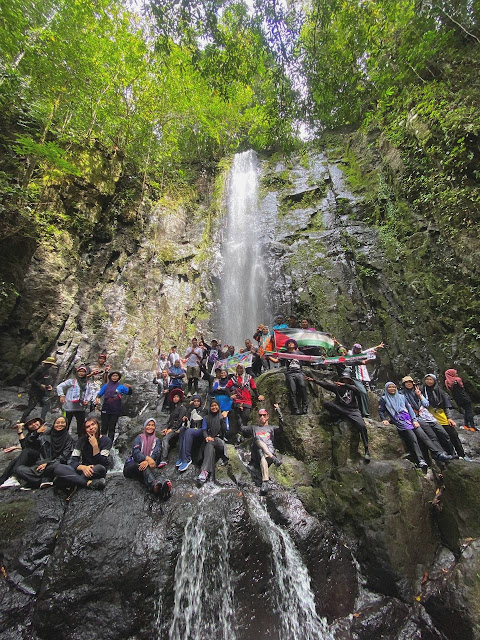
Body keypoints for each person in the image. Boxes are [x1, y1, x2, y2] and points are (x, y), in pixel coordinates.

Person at [379, 382, 453, 469]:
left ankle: (438, 453)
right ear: (386, 389)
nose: (392, 389)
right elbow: (381, 410)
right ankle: (420, 460)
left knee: (423, 436)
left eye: (393, 387)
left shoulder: (402, 397)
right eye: (389, 387)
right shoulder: (384, 399)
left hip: (409, 419)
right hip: (399, 421)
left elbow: (409, 408)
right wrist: (384, 419)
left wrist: (414, 420)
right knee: (413, 439)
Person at [306, 371, 370, 462]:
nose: (345, 381)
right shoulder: (337, 388)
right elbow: (326, 385)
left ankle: (367, 450)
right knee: (326, 404)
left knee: (362, 426)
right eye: (344, 380)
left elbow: (358, 391)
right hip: (342, 409)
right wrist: (314, 380)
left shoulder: (353, 388)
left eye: (347, 380)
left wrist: (345, 386)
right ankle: (338, 417)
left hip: (353, 411)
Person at [400, 376, 455, 457]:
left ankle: (452, 453)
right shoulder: (402, 394)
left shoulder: (417, 391)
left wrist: (419, 395)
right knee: (432, 436)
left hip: (428, 416)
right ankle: (440, 454)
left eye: (410, 382)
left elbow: (426, 404)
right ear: (404, 384)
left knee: (444, 434)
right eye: (407, 382)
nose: (409, 384)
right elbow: (404, 406)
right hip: (417, 418)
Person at [14, 416, 74, 489]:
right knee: (19, 469)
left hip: (55, 464)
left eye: (62, 423)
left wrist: (48, 463)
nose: (60, 425)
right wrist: (35, 433)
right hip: (42, 464)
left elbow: (64, 456)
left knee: (56, 467)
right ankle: (43, 481)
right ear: (54, 424)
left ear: (66, 424)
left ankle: (37, 481)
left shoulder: (68, 439)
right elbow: (27, 445)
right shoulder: (47, 434)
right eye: (57, 423)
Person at [53, 417, 111, 490]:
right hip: (83, 471)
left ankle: (72, 481)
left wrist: (95, 446)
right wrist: (83, 467)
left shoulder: (106, 440)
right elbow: (72, 461)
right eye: (88, 427)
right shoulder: (82, 440)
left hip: (96, 470)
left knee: (100, 467)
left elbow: (103, 462)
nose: (91, 428)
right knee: (59, 467)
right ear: (85, 430)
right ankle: (86, 483)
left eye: (93, 424)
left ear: (98, 425)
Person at [123, 418, 171, 497]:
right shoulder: (139, 438)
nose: (150, 427)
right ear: (145, 426)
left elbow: (156, 454)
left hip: (146, 468)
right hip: (131, 466)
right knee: (143, 466)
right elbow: (136, 453)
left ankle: (164, 485)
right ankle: (153, 486)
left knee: (150, 470)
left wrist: (147, 461)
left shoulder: (157, 441)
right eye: (148, 425)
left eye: (152, 425)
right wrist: (147, 458)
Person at [241, 405, 283, 495]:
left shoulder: (272, 428)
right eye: (260, 415)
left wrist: (279, 412)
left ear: (267, 416)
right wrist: (240, 412)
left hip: (267, 454)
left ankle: (265, 483)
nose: (262, 417)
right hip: (257, 453)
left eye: (264, 415)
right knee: (257, 438)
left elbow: (282, 428)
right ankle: (273, 458)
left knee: (263, 457)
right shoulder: (254, 428)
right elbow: (241, 428)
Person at [423, 374, 467, 459]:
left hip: (441, 415)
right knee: (442, 437)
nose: (428, 381)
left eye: (430, 379)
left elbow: (446, 406)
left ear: (434, 381)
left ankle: (462, 454)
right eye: (427, 379)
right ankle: (452, 454)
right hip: (430, 417)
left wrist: (449, 418)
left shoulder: (440, 391)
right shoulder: (422, 390)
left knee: (453, 434)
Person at [0, 418, 48, 489]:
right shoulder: (31, 434)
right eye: (30, 424)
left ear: (39, 421)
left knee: (26, 452)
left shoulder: (47, 429)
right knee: (16, 460)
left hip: (44, 456)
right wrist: (20, 431)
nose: (34, 425)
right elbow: (25, 447)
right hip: (35, 456)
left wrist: (36, 433)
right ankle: (2, 481)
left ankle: (15, 476)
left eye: (35, 422)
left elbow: (35, 447)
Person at [197, 400, 228, 484]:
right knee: (210, 445)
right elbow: (204, 429)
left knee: (212, 442)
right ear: (209, 408)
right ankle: (205, 473)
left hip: (219, 442)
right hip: (210, 441)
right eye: (212, 406)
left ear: (218, 406)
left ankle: (204, 472)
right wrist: (206, 437)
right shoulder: (206, 418)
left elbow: (225, 430)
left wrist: (224, 419)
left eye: (216, 405)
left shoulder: (222, 416)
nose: (214, 407)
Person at [226, 364, 264, 433]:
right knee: (238, 418)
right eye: (238, 369)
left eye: (241, 368)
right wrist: (230, 395)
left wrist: (258, 395)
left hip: (247, 400)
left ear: (244, 369)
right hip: (237, 400)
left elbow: (253, 387)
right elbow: (227, 387)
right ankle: (240, 434)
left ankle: (244, 432)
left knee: (245, 416)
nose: (239, 370)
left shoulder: (249, 377)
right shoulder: (234, 378)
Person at [57, 365, 94, 437]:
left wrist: (87, 400)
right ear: (77, 372)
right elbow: (59, 386)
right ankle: (62, 438)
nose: (81, 373)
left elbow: (90, 393)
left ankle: (80, 441)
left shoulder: (87, 383)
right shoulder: (72, 381)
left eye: (83, 372)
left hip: (80, 407)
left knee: (81, 426)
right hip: (69, 407)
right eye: (80, 371)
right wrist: (61, 395)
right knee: (66, 424)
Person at [96, 371, 132, 442]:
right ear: (110, 377)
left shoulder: (121, 387)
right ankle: (101, 442)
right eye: (113, 376)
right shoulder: (106, 386)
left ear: (119, 377)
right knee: (104, 427)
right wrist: (97, 399)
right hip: (106, 408)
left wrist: (130, 387)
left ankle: (109, 443)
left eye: (116, 376)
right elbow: (99, 394)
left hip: (115, 409)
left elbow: (129, 393)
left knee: (112, 427)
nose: (115, 377)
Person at [20, 356, 57, 422]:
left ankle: (42, 420)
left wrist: (49, 386)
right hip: (34, 392)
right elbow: (30, 378)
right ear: (46, 363)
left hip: (42, 393)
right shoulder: (39, 369)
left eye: (51, 364)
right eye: (50, 364)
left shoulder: (47, 371)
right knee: (31, 407)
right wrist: (39, 385)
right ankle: (21, 421)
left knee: (47, 404)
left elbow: (46, 380)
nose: (50, 365)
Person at [158, 388, 187, 467]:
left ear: (180, 398)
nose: (175, 398)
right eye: (174, 397)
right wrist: (167, 428)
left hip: (177, 430)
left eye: (177, 397)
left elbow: (179, 421)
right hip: (172, 429)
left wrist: (171, 429)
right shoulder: (173, 408)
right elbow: (170, 421)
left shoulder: (182, 408)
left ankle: (164, 459)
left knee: (165, 439)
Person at [176, 395, 205, 472]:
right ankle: (181, 457)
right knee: (182, 429)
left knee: (189, 431)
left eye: (198, 401)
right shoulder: (190, 409)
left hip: (200, 431)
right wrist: (185, 420)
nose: (196, 403)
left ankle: (187, 459)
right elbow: (187, 424)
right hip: (192, 430)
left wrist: (192, 409)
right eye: (194, 401)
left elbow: (197, 418)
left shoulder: (203, 409)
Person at [283, 339, 308, 415]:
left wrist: (320, 359)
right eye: (289, 343)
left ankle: (304, 407)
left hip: (299, 372)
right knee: (292, 390)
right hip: (290, 373)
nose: (290, 344)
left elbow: (309, 359)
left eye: (292, 343)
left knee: (302, 387)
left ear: (295, 345)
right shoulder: (285, 354)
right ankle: (295, 409)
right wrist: (267, 356)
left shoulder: (300, 353)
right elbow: (276, 360)